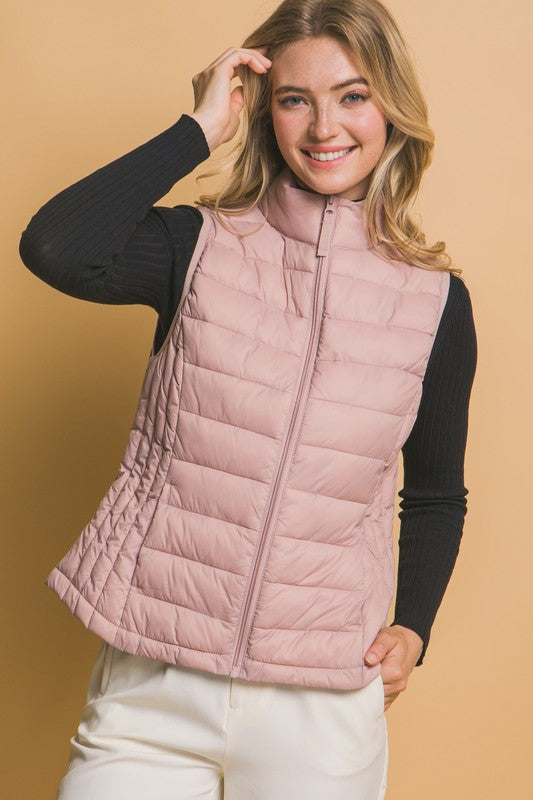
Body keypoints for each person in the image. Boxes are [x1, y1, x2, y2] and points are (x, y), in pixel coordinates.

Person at [19, 1, 477, 798]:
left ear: (391, 106)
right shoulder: (197, 248)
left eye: (352, 95)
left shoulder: (435, 303)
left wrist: (413, 627)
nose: (324, 127)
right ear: (264, 113)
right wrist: (198, 129)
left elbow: (435, 493)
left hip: (319, 704)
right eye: (295, 99)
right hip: (153, 679)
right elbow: (56, 246)